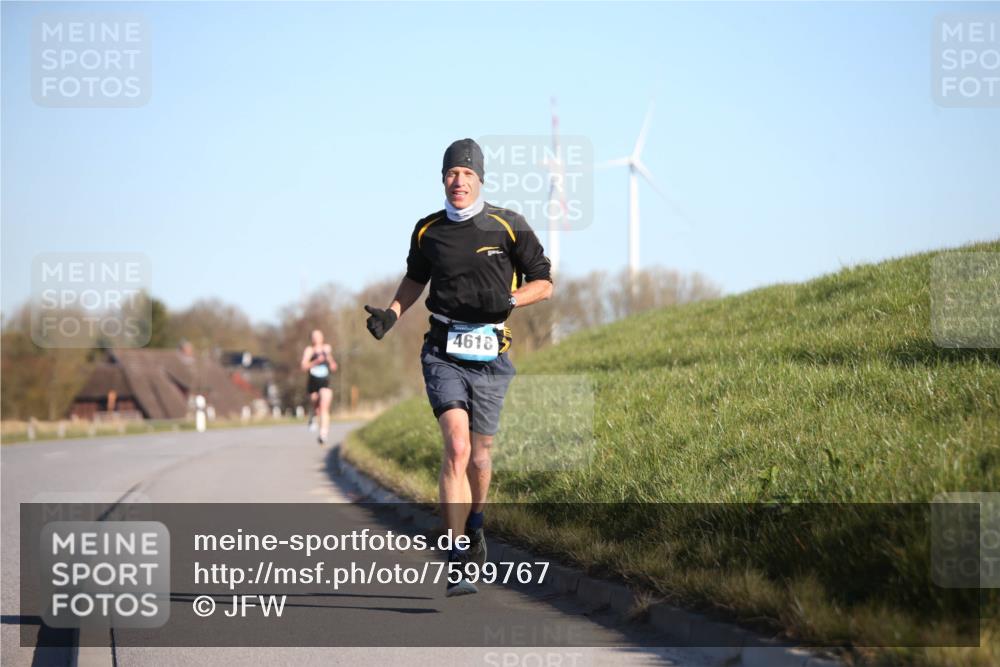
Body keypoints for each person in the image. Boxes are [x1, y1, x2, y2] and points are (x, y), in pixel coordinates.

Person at [364, 138, 553, 596]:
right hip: (443, 350)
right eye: (451, 174)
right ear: (442, 179)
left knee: (481, 457)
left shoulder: (509, 226)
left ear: (480, 179)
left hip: (491, 356)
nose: (458, 181)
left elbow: (544, 282)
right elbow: (414, 279)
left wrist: (509, 299)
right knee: (457, 447)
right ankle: (455, 560)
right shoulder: (428, 231)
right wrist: (391, 314)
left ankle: (476, 528)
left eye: (467, 174)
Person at [301, 329, 338, 445]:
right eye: (314, 336)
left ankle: (323, 434)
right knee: (316, 406)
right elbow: (303, 366)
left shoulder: (326, 349)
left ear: (322, 337)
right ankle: (313, 416)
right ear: (311, 339)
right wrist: (316, 361)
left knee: (324, 406)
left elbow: (333, 366)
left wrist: (330, 360)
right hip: (313, 382)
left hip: (325, 382)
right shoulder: (309, 350)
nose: (316, 338)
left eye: (318, 336)